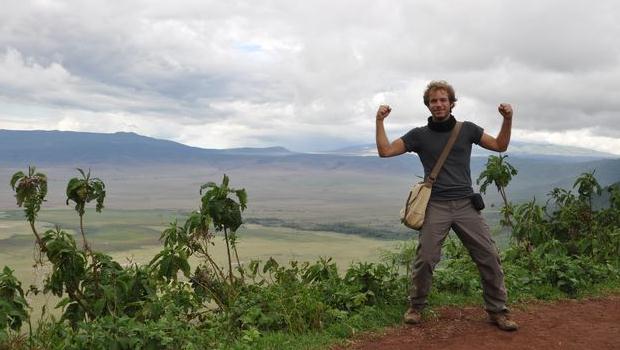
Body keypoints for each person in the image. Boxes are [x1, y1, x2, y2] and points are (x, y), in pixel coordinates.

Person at [375, 80, 518, 331]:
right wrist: (379, 122)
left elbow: (500, 145)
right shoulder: (419, 135)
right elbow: (385, 151)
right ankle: (415, 307)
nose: (438, 104)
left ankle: (499, 311)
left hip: (466, 205)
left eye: (443, 100)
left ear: (452, 103)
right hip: (436, 205)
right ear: (428, 105)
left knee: (489, 256)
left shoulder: (468, 130)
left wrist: (507, 119)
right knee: (426, 259)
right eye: (433, 101)